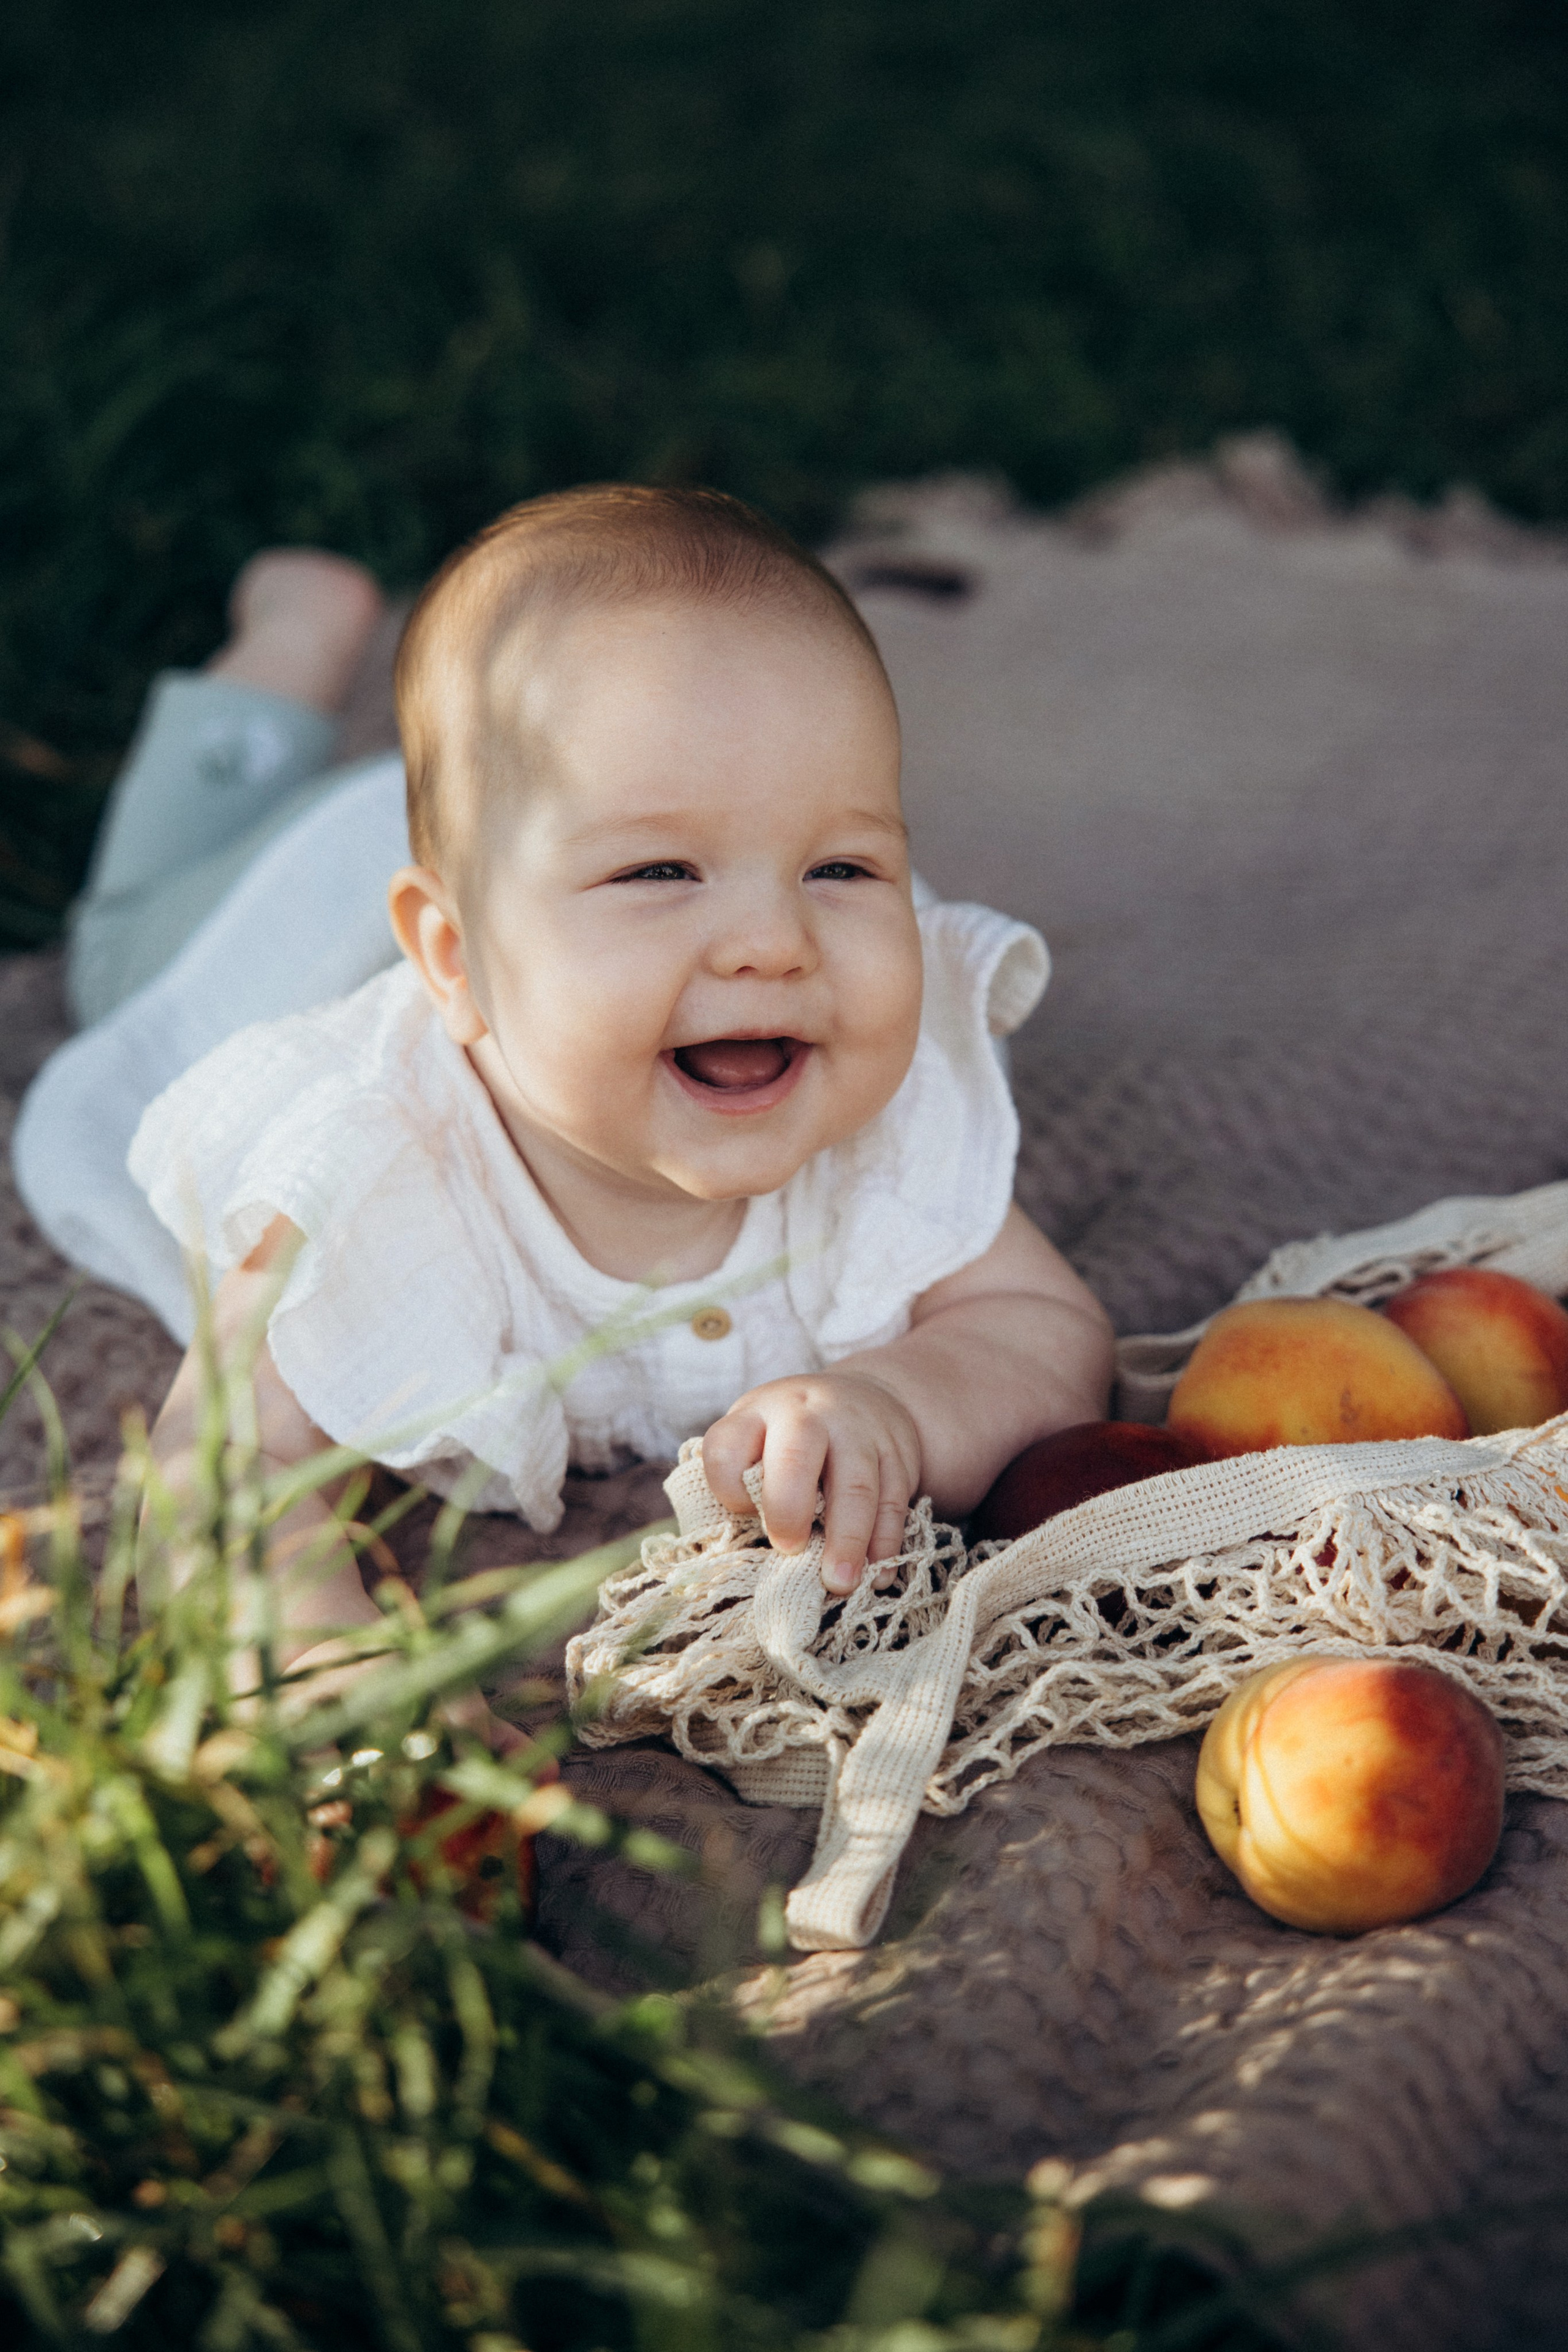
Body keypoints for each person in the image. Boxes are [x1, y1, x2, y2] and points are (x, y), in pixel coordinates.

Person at [21, 486, 1112, 1668]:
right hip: (292, 911)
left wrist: (905, 1402)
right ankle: (286, 650)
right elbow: (224, 1457)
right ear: (452, 959)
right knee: (118, 953)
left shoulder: (887, 1119)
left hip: (517, 850)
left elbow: (1038, 1326)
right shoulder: (369, 1163)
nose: (773, 939)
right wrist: (320, 1655)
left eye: (842, 866)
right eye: (658, 872)